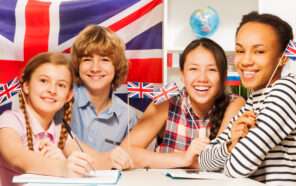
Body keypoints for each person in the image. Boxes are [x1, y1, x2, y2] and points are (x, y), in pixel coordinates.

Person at [199, 11, 296, 185]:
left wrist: (232, 153)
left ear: (282, 58)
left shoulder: (288, 90)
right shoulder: (251, 102)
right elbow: (204, 161)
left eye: (259, 51)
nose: (245, 61)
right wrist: (231, 144)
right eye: (240, 50)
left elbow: (238, 167)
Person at [0, 52, 132, 186]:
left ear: (69, 95)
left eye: (61, 85)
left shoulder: (60, 131)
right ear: (26, 86)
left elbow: (93, 160)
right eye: (43, 81)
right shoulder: (10, 121)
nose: (52, 90)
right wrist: (61, 166)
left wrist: (114, 159)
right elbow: (17, 157)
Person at [121, 38, 245, 168]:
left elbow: (218, 159)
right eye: (193, 69)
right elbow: (126, 152)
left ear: (223, 76)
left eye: (212, 70)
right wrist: (184, 158)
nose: (202, 78)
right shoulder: (167, 102)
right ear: (182, 74)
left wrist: (190, 161)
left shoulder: (234, 103)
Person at [70, 25, 138, 152]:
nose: (95, 68)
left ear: (116, 66)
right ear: (77, 65)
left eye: (105, 60)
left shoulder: (128, 116)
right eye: (87, 59)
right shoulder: (62, 100)